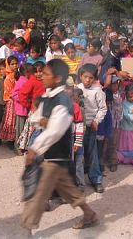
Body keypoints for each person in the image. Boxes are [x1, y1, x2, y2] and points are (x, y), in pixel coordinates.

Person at [21, 59, 98, 236]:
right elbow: (36, 117)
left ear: (57, 78)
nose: (41, 75)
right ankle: (89, 214)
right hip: (51, 153)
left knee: (37, 193)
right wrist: (41, 120)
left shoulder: (63, 101)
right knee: (67, 189)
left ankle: (25, 231)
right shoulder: (49, 95)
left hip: (55, 154)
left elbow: (55, 131)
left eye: (46, 74)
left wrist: (35, 148)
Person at [77, 64, 107, 193]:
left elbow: (103, 108)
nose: (87, 80)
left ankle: (96, 179)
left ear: (95, 78)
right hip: (78, 127)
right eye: (85, 77)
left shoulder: (98, 91)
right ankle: (77, 181)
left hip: (90, 126)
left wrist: (96, 120)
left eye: (91, 78)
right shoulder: (76, 88)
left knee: (92, 152)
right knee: (78, 154)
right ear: (80, 77)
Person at [65, 82, 85, 190]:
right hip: (61, 139)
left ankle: (79, 184)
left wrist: (77, 141)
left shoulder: (75, 107)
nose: (66, 91)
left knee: (77, 163)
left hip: (72, 138)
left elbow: (79, 125)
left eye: (69, 89)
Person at [0, 56, 19, 147]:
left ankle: (13, 139)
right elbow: (9, 92)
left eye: (16, 63)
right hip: (11, 102)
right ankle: (10, 140)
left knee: (16, 121)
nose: (15, 66)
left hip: (18, 101)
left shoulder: (18, 74)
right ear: (8, 65)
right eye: (12, 64)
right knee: (10, 121)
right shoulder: (8, 77)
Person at [12, 64, 32, 154]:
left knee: (25, 130)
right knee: (20, 130)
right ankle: (18, 148)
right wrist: (25, 99)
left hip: (26, 108)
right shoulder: (21, 81)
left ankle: (23, 147)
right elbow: (14, 94)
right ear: (27, 73)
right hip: (21, 109)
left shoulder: (26, 80)